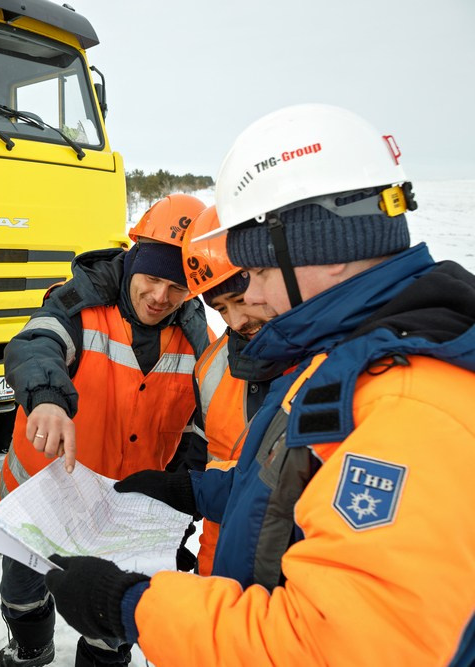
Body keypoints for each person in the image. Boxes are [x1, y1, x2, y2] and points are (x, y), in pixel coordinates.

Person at [43, 104, 475, 666]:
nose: (256, 301)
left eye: (261, 273)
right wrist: (198, 491)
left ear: (327, 250)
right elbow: (292, 493)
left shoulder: (408, 403)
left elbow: (332, 646)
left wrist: (131, 606)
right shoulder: (343, 360)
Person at [0, 194, 213, 667]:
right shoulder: (77, 306)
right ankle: (30, 649)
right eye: (151, 279)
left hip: (123, 515)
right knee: (21, 596)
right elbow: (35, 344)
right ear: (132, 264)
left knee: (110, 630)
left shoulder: (197, 341)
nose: (160, 298)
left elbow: (199, 430)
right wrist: (46, 395)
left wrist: (180, 507)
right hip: (42, 504)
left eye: (177, 287)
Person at [117, 205, 283, 575]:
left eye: (239, 301)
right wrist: (173, 521)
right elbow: (204, 458)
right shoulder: (212, 368)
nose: (237, 321)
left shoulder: (323, 365)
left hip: (287, 589)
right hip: (218, 572)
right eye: (221, 309)